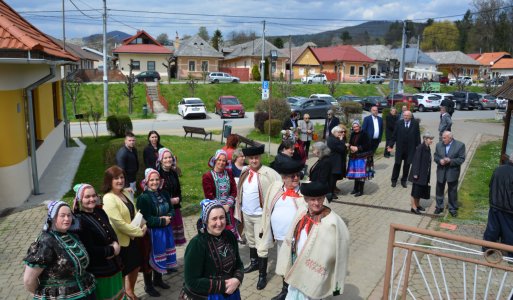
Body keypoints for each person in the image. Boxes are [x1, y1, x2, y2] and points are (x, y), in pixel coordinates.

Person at [276, 181, 350, 300]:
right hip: (297, 263)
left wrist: (335, 280)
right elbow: (291, 236)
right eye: (312, 199)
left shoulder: (333, 221)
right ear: (305, 199)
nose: (316, 203)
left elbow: (341, 251)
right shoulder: (301, 212)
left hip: (315, 271)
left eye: (320, 199)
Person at [23, 201, 96, 299]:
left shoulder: (73, 236)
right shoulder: (45, 242)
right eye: (62, 215)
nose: (67, 219)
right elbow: (28, 280)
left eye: (69, 215)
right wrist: (43, 295)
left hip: (85, 292)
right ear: (53, 218)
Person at [234, 145, 281, 290]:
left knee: (262, 246)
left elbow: (279, 190)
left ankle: (262, 276)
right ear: (247, 159)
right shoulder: (245, 171)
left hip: (261, 216)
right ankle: (254, 263)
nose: (254, 160)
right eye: (251, 158)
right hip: (247, 213)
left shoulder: (269, 173)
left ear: (260, 158)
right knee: (251, 240)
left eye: (256, 158)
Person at [260, 158, 306, 298]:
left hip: (298, 238)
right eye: (293, 176)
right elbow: (267, 209)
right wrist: (264, 228)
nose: (297, 178)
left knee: (296, 265)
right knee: (284, 264)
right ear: (284, 178)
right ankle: (285, 290)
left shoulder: (304, 192)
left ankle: (298, 292)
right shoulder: (275, 189)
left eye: (298, 174)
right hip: (280, 237)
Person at [181, 200, 244, 299]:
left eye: (222, 217)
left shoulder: (230, 236)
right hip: (209, 296)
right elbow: (191, 281)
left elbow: (238, 264)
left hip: (232, 292)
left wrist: (237, 279)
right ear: (206, 220)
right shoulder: (197, 244)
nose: (219, 223)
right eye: (214, 219)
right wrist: (224, 285)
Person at [73, 183, 124, 300]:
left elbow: (111, 232)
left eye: (93, 196)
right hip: (101, 271)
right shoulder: (80, 221)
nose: (92, 199)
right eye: (87, 197)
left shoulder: (100, 212)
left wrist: (116, 244)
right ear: (80, 199)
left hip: (115, 265)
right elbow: (89, 250)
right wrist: (111, 250)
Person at [103, 165, 147, 300]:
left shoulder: (126, 193)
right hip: (120, 241)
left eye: (121, 177)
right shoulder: (108, 198)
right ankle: (122, 296)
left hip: (131, 238)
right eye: (116, 178)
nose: (120, 180)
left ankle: (130, 291)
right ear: (109, 180)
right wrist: (139, 232)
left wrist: (143, 223)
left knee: (135, 266)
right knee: (122, 272)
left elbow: (133, 212)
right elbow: (119, 224)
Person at [137, 168, 176, 297]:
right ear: (147, 181)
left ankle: (158, 280)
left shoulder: (164, 194)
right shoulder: (144, 198)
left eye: (156, 179)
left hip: (165, 231)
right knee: (150, 258)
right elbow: (145, 218)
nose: (154, 182)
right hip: (151, 234)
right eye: (151, 180)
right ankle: (148, 286)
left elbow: (171, 209)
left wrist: (169, 217)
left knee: (162, 254)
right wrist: (161, 221)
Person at [203, 149, 239, 240]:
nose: (221, 162)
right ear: (215, 160)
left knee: (229, 235)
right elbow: (209, 195)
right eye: (219, 160)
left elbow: (234, 190)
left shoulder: (229, 173)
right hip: (214, 210)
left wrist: (228, 205)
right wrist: (220, 207)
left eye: (224, 160)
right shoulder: (208, 176)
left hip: (228, 209)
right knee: (216, 232)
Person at [483, 155, 513, 255]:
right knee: (509, 232)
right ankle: (510, 255)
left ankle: (487, 250)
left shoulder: (498, 169)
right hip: (509, 208)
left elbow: (491, 185)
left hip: (495, 205)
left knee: (492, 229)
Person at [157, 148, 187, 246]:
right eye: (165, 158)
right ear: (161, 160)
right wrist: (169, 201)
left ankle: (172, 258)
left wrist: (178, 198)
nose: (168, 160)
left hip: (175, 209)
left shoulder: (173, 172)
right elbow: (156, 193)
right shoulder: (158, 174)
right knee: (166, 240)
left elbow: (178, 189)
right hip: (164, 211)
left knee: (174, 241)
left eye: (170, 157)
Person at [434, 131, 466, 217]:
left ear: (450, 138)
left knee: (452, 191)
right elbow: (436, 156)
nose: (442, 139)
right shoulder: (438, 145)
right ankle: (439, 207)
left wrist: (450, 161)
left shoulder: (460, 145)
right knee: (439, 189)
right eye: (442, 137)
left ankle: (452, 208)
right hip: (441, 171)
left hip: (452, 172)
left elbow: (461, 159)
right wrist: (439, 161)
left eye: (444, 138)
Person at [387, 110, 421, 189]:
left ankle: (403, 181)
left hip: (410, 149)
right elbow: (394, 135)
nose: (405, 117)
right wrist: (390, 145)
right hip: (400, 148)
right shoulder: (399, 123)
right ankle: (394, 180)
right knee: (397, 164)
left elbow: (417, 136)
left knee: (407, 165)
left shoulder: (415, 124)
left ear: (410, 116)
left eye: (407, 115)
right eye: (404, 115)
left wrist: (418, 147)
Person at [408, 132, 435, 214]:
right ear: (425, 139)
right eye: (430, 139)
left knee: (419, 191)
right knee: (415, 192)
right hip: (418, 174)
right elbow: (416, 161)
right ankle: (413, 207)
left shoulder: (427, 147)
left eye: (431, 139)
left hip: (424, 174)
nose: (431, 141)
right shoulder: (420, 147)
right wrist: (415, 174)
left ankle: (417, 204)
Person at [346, 120, 373, 197]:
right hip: (354, 156)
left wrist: (358, 148)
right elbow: (351, 142)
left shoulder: (365, 133)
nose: (355, 128)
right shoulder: (353, 134)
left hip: (363, 156)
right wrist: (350, 146)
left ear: (359, 126)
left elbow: (368, 144)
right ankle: (355, 189)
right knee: (355, 173)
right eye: (354, 127)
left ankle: (361, 190)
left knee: (361, 174)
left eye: (357, 126)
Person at [327, 125, 347, 199]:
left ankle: (332, 192)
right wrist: (342, 140)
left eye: (342, 132)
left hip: (336, 161)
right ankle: (330, 193)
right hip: (333, 162)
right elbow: (341, 149)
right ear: (334, 132)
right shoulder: (332, 139)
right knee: (332, 178)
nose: (341, 134)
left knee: (334, 178)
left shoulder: (334, 138)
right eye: (340, 132)